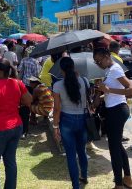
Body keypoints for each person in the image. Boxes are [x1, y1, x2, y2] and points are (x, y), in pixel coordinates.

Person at [0, 58, 32, 189]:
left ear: (0, 72)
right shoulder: (18, 83)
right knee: (10, 161)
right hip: (16, 126)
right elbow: (29, 100)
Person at [93, 48, 132, 189]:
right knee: (117, 146)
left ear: (106, 56)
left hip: (117, 111)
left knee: (114, 148)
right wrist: (103, 92)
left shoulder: (115, 69)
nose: (98, 64)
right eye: (96, 62)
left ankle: (119, 184)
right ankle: (127, 179)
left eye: (99, 61)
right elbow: (111, 93)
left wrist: (109, 90)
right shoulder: (109, 70)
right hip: (114, 110)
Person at [52, 57, 89, 189]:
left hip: (67, 120)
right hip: (83, 118)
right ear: (73, 67)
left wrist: (55, 127)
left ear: (61, 69)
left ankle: (75, 185)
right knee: (82, 150)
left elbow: (57, 109)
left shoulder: (57, 85)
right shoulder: (84, 81)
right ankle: (84, 176)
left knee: (71, 155)